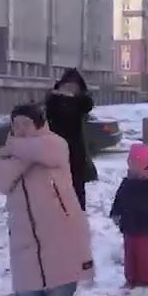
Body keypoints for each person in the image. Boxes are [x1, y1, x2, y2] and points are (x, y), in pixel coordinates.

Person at [0, 104, 94, 296]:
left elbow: (46, 152)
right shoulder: (11, 154)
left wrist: (13, 150)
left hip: (63, 235)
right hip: (25, 240)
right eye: (16, 123)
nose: (21, 129)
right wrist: (18, 153)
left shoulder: (55, 144)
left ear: (39, 124)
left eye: (26, 123)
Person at [109, 143, 148, 288]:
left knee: (143, 252)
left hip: (144, 224)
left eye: (137, 164)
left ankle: (145, 278)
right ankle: (131, 277)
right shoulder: (126, 183)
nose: (133, 168)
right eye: (131, 164)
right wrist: (115, 212)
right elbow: (119, 199)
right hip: (128, 223)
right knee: (130, 252)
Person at [45, 68, 97, 210]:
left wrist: (74, 97)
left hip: (75, 156)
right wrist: (59, 96)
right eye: (67, 86)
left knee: (76, 192)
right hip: (55, 154)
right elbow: (49, 109)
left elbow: (88, 104)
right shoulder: (54, 102)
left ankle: (77, 219)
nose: (70, 90)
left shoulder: (80, 104)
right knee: (56, 193)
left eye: (74, 87)